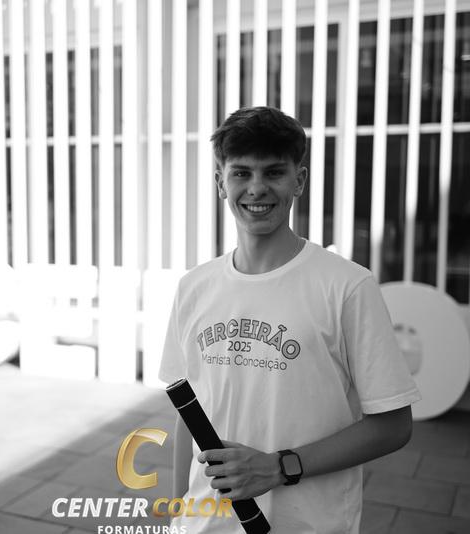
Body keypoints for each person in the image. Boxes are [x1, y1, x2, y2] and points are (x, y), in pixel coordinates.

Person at [158, 106, 421, 533]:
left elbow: (393, 425)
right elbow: (189, 412)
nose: (256, 188)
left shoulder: (347, 286)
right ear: (220, 183)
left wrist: (279, 467)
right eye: (241, 173)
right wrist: (179, 516)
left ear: (299, 180)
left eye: (274, 172)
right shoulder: (194, 287)